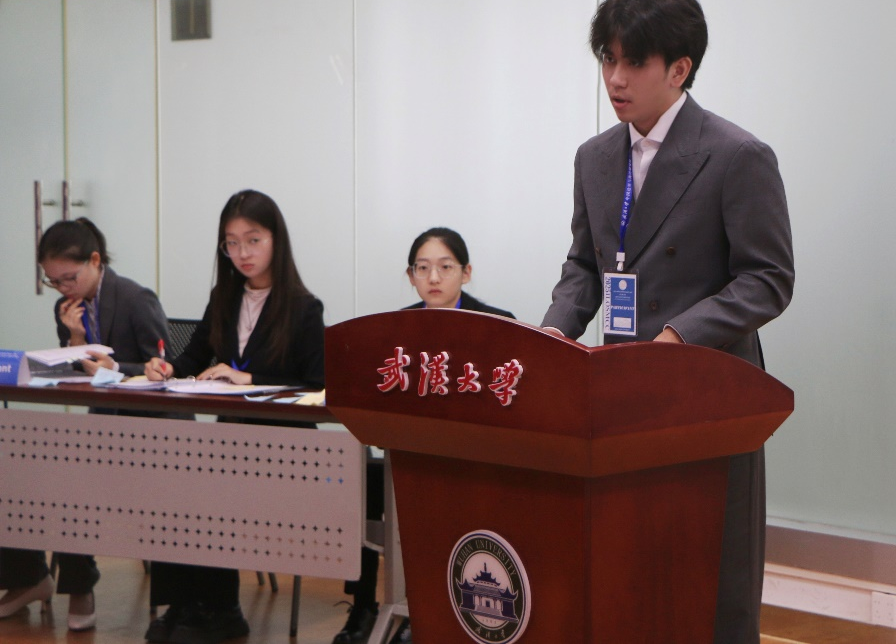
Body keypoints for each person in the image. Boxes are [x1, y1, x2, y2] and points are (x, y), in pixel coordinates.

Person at [541, 0, 794, 644]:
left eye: (633, 62)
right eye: (607, 58)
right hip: (619, 392)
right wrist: (552, 333)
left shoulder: (736, 155)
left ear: (679, 69)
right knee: (629, 569)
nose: (615, 78)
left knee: (711, 580)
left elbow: (768, 279)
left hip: (706, 395)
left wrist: (681, 334)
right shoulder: (595, 157)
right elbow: (585, 266)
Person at [142, 190, 324, 644]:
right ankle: (186, 605)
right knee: (172, 485)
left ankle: (221, 609)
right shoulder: (223, 298)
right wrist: (166, 368)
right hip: (232, 444)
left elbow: (317, 385)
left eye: (253, 240)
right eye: (232, 243)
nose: (242, 253)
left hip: (287, 450)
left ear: (276, 241)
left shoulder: (303, 307)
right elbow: (192, 358)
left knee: (210, 492)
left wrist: (251, 379)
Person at [332, 227, 513, 644]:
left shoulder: (497, 325)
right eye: (422, 268)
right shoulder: (398, 328)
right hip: (411, 454)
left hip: (474, 460)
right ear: (411, 275)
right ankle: (370, 610)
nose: (433, 278)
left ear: (466, 273)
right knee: (366, 488)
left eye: (445, 267)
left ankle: (454, 617)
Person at [0, 218, 170, 632]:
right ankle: (28, 576)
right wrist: (74, 340)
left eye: (69, 278)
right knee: (15, 470)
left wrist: (116, 367)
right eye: (53, 281)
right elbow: (75, 373)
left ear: (95, 261)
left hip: (152, 434)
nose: (63, 288)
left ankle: (80, 587)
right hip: (101, 430)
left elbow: (165, 369)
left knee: (72, 482)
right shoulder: (67, 310)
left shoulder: (135, 298)